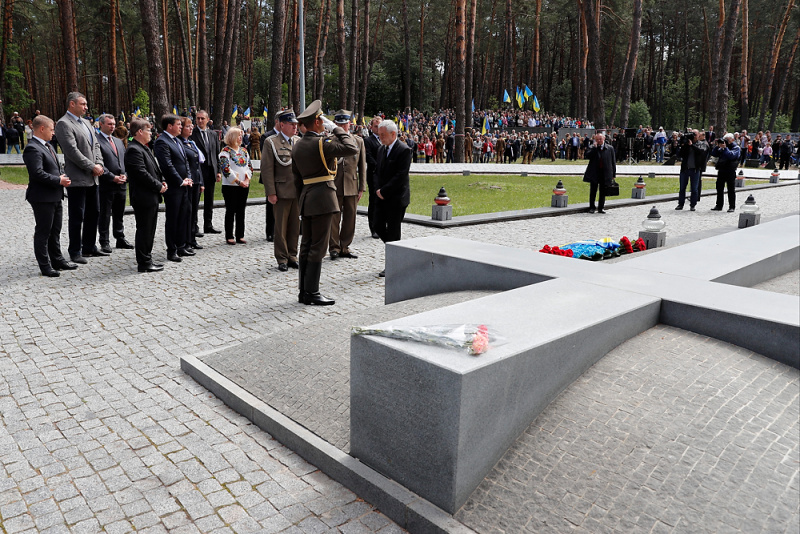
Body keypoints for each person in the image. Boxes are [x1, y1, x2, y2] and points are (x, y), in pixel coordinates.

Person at [292, 100, 358, 305]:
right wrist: (337, 128)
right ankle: (312, 292)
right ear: (319, 122)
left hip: (307, 197)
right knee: (318, 247)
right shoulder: (321, 143)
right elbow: (351, 147)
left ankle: (303, 292)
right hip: (323, 199)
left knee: (306, 245)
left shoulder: (298, 145)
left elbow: (296, 179)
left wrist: (302, 198)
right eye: (322, 120)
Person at [55, 91, 106, 264]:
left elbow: (97, 145)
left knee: (94, 212)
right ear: (72, 104)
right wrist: (92, 166)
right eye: (83, 104)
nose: (86, 107)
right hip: (77, 178)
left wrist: (99, 164)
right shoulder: (63, 124)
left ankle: (89, 246)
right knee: (78, 216)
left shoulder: (87, 122)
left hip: (94, 177)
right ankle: (75, 251)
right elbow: (71, 151)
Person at [23, 115, 77, 277]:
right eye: (52, 129)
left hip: (55, 195)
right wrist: (58, 180)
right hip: (42, 197)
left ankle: (57, 260)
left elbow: (55, 166)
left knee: (55, 230)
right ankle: (45, 265)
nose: (53, 133)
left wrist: (62, 175)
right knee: (43, 232)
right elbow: (37, 173)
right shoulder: (32, 148)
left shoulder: (48, 145)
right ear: (42, 129)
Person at [125, 119, 167, 273]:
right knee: (144, 229)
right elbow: (141, 173)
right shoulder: (134, 150)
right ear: (140, 132)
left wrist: (162, 181)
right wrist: (158, 186)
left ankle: (147, 258)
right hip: (144, 196)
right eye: (149, 130)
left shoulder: (144, 148)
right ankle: (144, 262)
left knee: (150, 229)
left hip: (151, 195)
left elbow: (154, 169)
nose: (151, 133)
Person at [261, 110, 300, 271]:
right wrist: (271, 192)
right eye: (291, 124)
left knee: (294, 227)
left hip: (297, 192)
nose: (295, 127)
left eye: (296, 125)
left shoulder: (298, 141)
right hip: (281, 191)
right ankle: (282, 258)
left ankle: (292, 255)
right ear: (282, 124)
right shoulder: (271, 142)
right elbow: (267, 169)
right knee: (281, 228)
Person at [373, 119, 412, 277]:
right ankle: (398, 251)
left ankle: (393, 264)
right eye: (379, 134)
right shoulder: (381, 149)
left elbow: (401, 176)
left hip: (396, 197)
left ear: (393, 134)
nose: (380, 137)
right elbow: (376, 171)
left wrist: (385, 190)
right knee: (377, 225)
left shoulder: (404, 150)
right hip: (382, 196)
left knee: (394, 230)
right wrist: (377, 189)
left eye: (383, 135)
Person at [154, 114, 194, 262]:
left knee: (184, 215)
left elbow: (185, 162)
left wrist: (188, 177)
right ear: (169, 126)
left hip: (184, 185)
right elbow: (167, 165)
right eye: (178, 124)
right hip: (174, 187)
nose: (181, 127)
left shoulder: (176, 140)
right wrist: (179, 180)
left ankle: (181, 245)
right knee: (173, 218)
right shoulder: (162, 142)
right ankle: (172, 250)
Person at [329, 110, 367, 260]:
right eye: (340, 124)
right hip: (334, 185)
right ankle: (333, 247)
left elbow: (362, 167)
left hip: (351, 184)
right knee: (333, 218)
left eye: (345, 124)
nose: (343, 127)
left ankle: (345, 246)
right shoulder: (330, 141)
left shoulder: (358, 141)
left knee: (350, 218)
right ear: (335, 125)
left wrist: (361, 187)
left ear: (349, 124)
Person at [96, 114, 133, 253]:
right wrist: (112, 177)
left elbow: (124, 161)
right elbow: (99, 163)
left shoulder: (118, 141)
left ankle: (120, 237)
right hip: (107, 184)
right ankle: (104, 241)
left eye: (113, 124)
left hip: (122, 184)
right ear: (101, 124)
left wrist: (125, 175)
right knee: (105, 214)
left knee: (119, 213)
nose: (112, 126)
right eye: (109, 124)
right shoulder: (97, 141)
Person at [190, 110, 222, 235]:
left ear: (208, 120)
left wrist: (218, 171)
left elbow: (216, 153)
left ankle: (208, 224)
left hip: (211, 170)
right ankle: (194, 226)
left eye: (202, 118)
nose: (200, 121)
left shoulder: (213, 134)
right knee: (196, 200)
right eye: (198, 118)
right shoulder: (193, 134)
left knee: (209, 200)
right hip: (198, 171)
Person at [218, 127, 252, 245]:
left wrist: (247, 179)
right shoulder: (225, 152)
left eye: (241, 135)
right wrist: (238, 181)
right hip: (230, 186)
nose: (240, 138)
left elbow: (249, 166)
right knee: (231, 210)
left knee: (241, 210)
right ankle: (229, 235)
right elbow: (226, 169)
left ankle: (240, 235)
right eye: (238, 135)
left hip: (244, 185)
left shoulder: (244, 151)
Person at [179, 117, 204, 250]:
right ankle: (186, 240)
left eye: (191, 126)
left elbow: (198, 165)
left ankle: (192, 238)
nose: (191, 128)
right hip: (188, 181)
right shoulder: (180, 144)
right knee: (187, 212)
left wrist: (201, 182)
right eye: (188, 126)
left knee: (194, 212)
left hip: (196, 181)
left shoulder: (191, 143)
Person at [583, 132, 616, 214]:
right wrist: (594, 148)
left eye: (600, 139)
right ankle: (592, 207)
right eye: (597, 139)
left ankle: (601, 207)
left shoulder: (610, 148)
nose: (599, 141)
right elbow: (587, 155)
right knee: (593, 191)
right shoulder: (592, 147)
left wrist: (613, 174)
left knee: (603, 191)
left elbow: (613, 162)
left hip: (605, 172)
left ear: (604, 138)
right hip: (595, 172)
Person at [676, 130, 708, 212]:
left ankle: (693, 205)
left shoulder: (701, 144)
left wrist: (692, 145)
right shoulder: (686, 144)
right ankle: (680, 204)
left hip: (695, 169)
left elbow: (701, 152)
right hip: (685, 169)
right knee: (682, 188)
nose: (694, 136)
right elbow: (679, 154)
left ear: (698, 136)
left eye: (695, 134)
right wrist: (683, 145)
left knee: (694, 188)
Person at [710, 133, 741, 212]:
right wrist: (717, 146)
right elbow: (714, 154)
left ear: (732, 139)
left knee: (730, 189)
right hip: (722, 170)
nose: (726, 141)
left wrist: (725, 148)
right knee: (719, 188)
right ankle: (719, 205)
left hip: (730, 170)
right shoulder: (722, 148)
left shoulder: (736, 147)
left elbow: (732, 156)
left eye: (728, 139)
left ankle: (732, 206)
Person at [363, 116, 382, 239]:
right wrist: (381, 166)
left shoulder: (384, 139)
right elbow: (368, 157)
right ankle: (373, 228)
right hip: (374, 174)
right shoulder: (368, 140)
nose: (378, 128)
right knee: (374, 201)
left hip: (384, 175)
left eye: (380, 126)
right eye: (376, 126)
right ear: (371, 127)